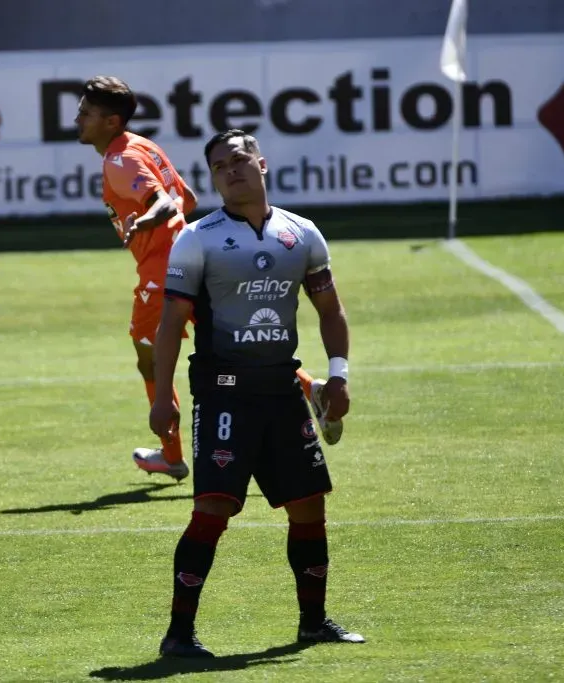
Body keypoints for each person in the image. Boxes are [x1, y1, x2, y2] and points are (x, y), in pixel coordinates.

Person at [149, 129, 365, 657]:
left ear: (261, 164)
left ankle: (313, 624)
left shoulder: (302, 233)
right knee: (214, 509)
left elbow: (330, 311)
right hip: (224, 397)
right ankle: (178, 636)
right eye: (219, 166)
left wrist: (337, 375)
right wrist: (161, 398)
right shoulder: (198, 238)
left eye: (239, 159)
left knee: (309, 507)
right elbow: (171, 320)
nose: (230, 171)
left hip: (282, 395)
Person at [77, 77, 341, 483]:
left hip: (164, 274)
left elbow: (165, 203)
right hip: (195, 261)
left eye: (87, 113)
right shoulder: (141, 146)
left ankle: (172, 456)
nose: (78, 118)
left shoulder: (119, 161)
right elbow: (188, 199)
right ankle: (311, 389)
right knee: (234, 345)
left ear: (111, 121)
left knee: (149, 358)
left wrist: (143, 224)